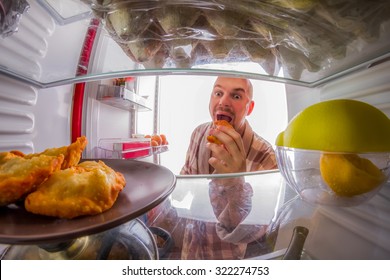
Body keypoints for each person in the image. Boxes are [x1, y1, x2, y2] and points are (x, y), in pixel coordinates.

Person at [180, 76, 277, 175]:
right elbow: (185, 181)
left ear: (250, 108)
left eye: (236, 96)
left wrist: (238, 181)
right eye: (218, 93)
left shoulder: (267, 157)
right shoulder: (198, 133)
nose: (223, 102)